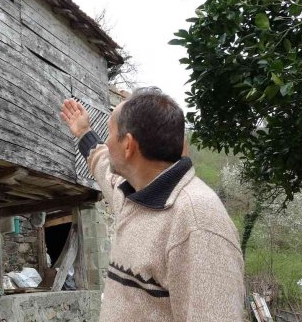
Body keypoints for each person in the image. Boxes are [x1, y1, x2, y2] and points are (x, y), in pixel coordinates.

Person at [60, 87, 244, 322]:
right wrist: (84, 132)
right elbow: (104, 167)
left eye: (109, 132)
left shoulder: (198, 222)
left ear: (128, 146)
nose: (106, 142)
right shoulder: (134, 196)